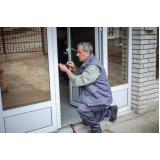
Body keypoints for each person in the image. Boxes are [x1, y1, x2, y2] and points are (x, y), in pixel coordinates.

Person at [58, 42, 118, 133]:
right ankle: (109, 111)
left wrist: (66, 70)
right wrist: (74, 68)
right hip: (95, 96)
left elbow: (78, 81)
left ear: (87, 53)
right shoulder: (88, 62)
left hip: (102, 98)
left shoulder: (93, 66)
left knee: (82, 110)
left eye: (79, 52)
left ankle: (96, 128)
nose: (77, 54)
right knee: (86, 121)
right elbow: (81, 76)